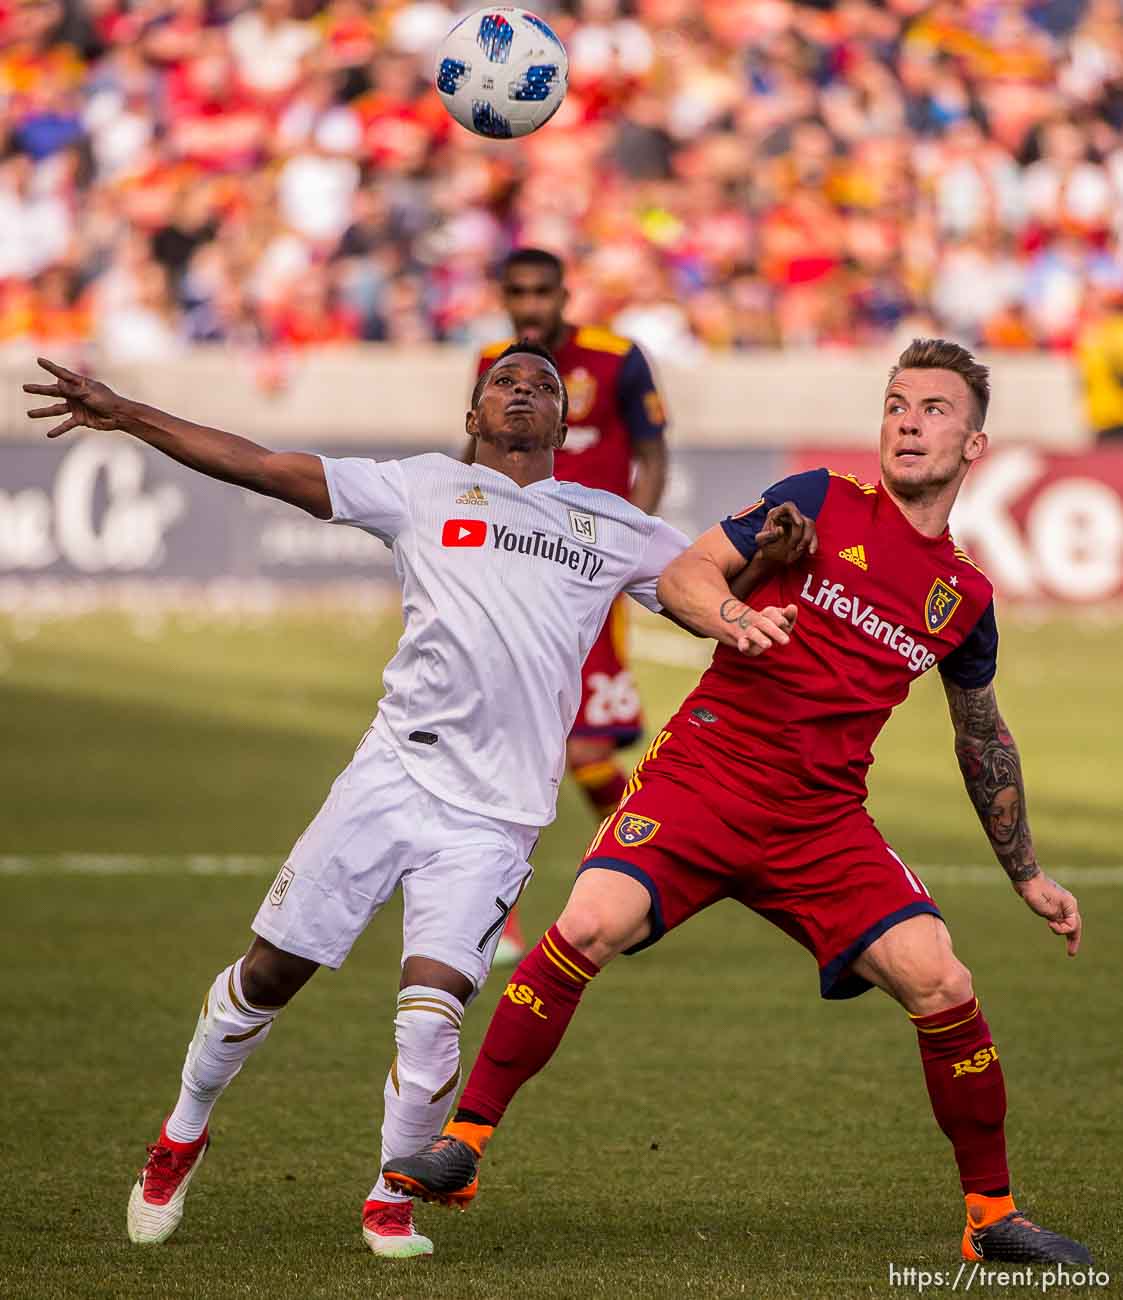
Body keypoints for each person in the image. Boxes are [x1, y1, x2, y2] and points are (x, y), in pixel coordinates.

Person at [22, 347, 806, 1261]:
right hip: (389, 779)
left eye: (543, 387)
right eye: (504, 383)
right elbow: (260, 464)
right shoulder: (419, 489)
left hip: (499, 814)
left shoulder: (611, 524)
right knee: (270, 976)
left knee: (432, 1015)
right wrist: (127, 413)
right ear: (473, 416)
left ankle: (388, 1201)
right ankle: (180, 1135)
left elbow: (703, 592)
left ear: (564, 425)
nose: (523, 392)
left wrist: (770, 562)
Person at [384, 338, 1092, 1268]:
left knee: (942, 981)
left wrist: (1028, 873)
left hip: (822, 822)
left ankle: (990, 1216)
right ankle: (465, 1143)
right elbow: (684, 575)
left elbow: (981, 737)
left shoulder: (961, 595)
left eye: (933, 410)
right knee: (589, 920)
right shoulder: (815, 501)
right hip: (705, 779)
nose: (908, 422)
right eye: (895, 404)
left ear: (973, 447)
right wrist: (738, 615)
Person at [472, 247, 670, 962]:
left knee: (587, 751)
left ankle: (646, 883)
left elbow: (653, 454)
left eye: (540, 292)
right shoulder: (495, 361)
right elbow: (477, 459)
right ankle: (500, 922)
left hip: (585, 574)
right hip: (512, 576)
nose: (528, 305)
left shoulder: (618, 359)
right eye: (516, 291)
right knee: (501, 750)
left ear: (563, 292)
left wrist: (629, 548)